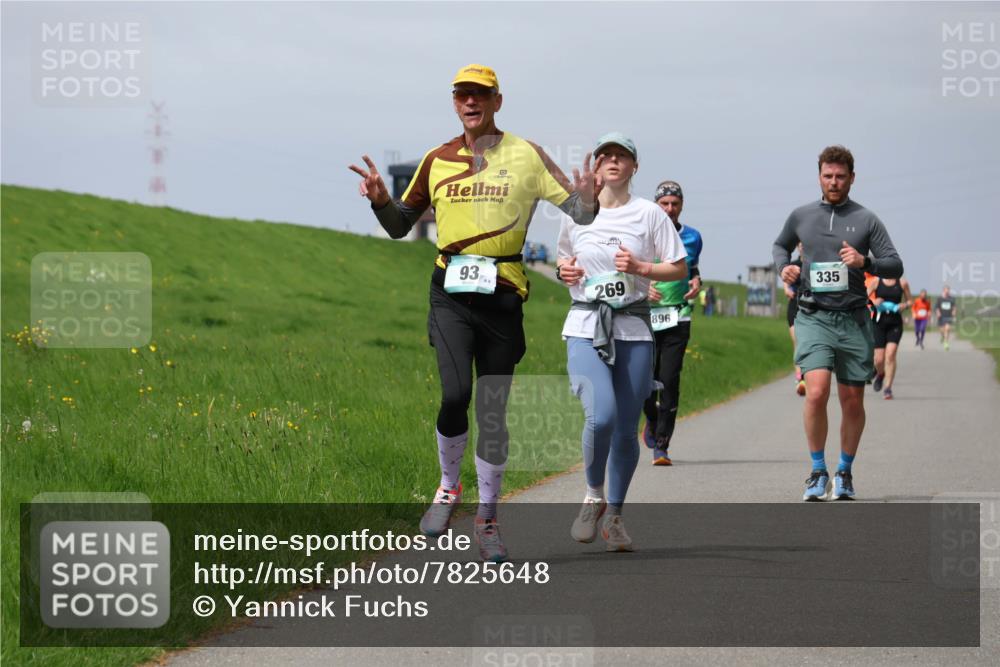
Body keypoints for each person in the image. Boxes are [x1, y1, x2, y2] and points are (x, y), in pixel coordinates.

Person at [349, 64, 602, 561]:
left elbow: (579, 211)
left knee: (491, 410)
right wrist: (380, 201)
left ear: (497, 101)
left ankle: (487, 517)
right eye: (462, 95)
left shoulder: (526, 154)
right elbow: (401, 225)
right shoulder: (436, 159)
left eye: (480, 95)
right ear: (454, 103)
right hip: (450, 294)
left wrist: (590, 201)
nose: (471, 102)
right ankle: (448, 487)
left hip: (504, 296)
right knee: (454, 394)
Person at [555, 133, 686, 551]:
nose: (613, 161)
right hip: (585, 325)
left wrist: (642, 266)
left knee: (628, 431)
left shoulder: (650, 215)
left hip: (633, 329)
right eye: (605, 156)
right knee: (602, 417)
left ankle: (615, 516)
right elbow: (562, 260)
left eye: (622, 156)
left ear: (634, 167)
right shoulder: (576, 213)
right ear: (596, 168)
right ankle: (593, 496)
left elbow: (678, 268)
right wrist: (566, 274)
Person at [773, 145, 903, 502]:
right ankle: (817, 471)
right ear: (819, 176)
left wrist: (866, 261)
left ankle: (844, 472)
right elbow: (780, 245)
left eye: (840, 177)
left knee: (852, 399)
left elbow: (895, 265)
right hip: (814, 315)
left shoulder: (867, 219)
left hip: (854, 318)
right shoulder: (801, 216)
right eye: (828, 176)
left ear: (852, 178)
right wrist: (783, 267)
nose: (834, 182)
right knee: (815, 392)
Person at [640, 180, 704, 465]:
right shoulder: (641, 234)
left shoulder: (693, 237)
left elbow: (693, 268)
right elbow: (627, 267)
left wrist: (696, 281)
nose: (669, 209)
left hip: (678, 316)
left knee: (669, 380)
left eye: (674, 204)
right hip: (644, 317)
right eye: (664, 204)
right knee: (642, 381)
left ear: (681, 206)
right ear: (656, 206)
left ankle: (662, 445)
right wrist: (643, 288)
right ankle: (652, 420)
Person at [868, 276, 912, 400]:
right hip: (878, 323)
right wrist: (874, 302)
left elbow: (910, 301)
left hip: (895, 323)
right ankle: (880, 374)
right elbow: (863, 298)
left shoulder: (902, 282)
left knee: (891, 354)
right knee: (878, 359)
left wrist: (905, 305)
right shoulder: (876, 281)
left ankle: (888, 389)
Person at [784, 243, 806, 396]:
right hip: (795, 307)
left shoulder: (815, 264)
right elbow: (786, 280)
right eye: (800, 244)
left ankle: (810, 375)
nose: (802, 246)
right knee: (797, 343)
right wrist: (786, 289)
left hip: (812, 308)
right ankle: (800, 379)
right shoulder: (794, 264)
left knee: (808, 345)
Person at [936, 285, 958, 350]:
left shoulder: (951, 299)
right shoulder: (940, 298)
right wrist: (938, 312)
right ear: (943, 290)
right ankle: (942, 336)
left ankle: (946, 343)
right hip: (941, 316)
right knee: (941, 330)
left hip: (948, 316)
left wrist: (954, 311)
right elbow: (937, 307)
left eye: (948, 290)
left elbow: (954, 307)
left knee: (947, 329)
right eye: (946, 290)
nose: (947, 291)